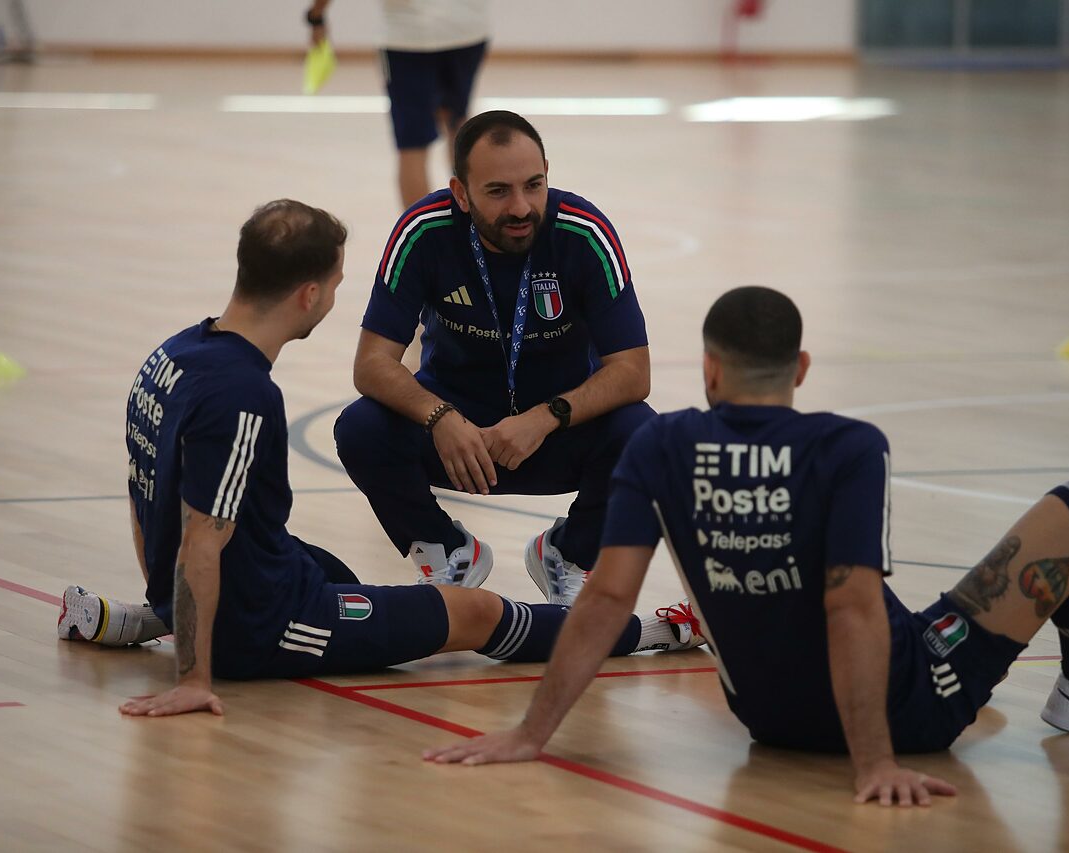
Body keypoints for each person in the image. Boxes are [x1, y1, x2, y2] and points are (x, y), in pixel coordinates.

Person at [423, 286, 1069, 805]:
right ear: (800, 368)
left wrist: (530, 731)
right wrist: (876, 761)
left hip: (769, 720)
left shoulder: (661, 445)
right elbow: (852, 608)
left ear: (709, 369)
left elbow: (608, 597)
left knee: (889, 600)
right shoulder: (849, 446)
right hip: (908, 712)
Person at [56, 200, 701, 717]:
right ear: (309, 295)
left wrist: (160, 591)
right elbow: (203, 537)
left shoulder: (172, 354)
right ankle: (647, 633)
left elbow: (146, 489)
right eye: (336, 284)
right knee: (472, 615)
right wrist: (198, 677)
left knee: (341, 575)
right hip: (264, 624)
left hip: (252, 582)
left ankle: (154, 615)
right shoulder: (245, 396)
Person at [333, 110, 654, 605]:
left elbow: (633, 372)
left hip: (554, 432)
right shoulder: (423, 230)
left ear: (549, 172)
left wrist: (547, 418)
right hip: (459, 440)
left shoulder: (585, 233)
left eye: (534, 184)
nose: (522, 207)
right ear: (461, 193)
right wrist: (440, 418)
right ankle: (447, 552)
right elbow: (371, 363)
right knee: (359, 429)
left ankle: (570, 554)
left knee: (644, 435)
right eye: (498, 191)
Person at [304, 0, 491, 208]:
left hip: (407, 36)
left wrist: (316, 15)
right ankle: (472, 220)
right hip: (467, 29)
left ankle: (422, 236)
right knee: (457, 121)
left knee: (412, 144)